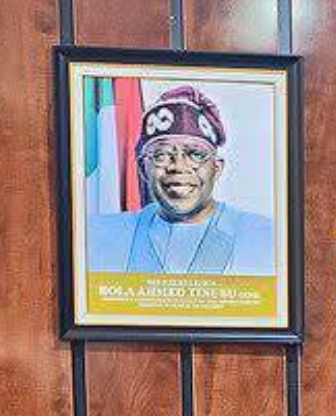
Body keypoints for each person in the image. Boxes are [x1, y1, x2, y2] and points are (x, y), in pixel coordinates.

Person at [86, 86, 275, 275]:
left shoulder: (267, 237)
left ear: (216, 169)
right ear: (143, 168)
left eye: (195, 154)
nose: (178, 166)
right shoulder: (96, 235)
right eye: (161, 155)